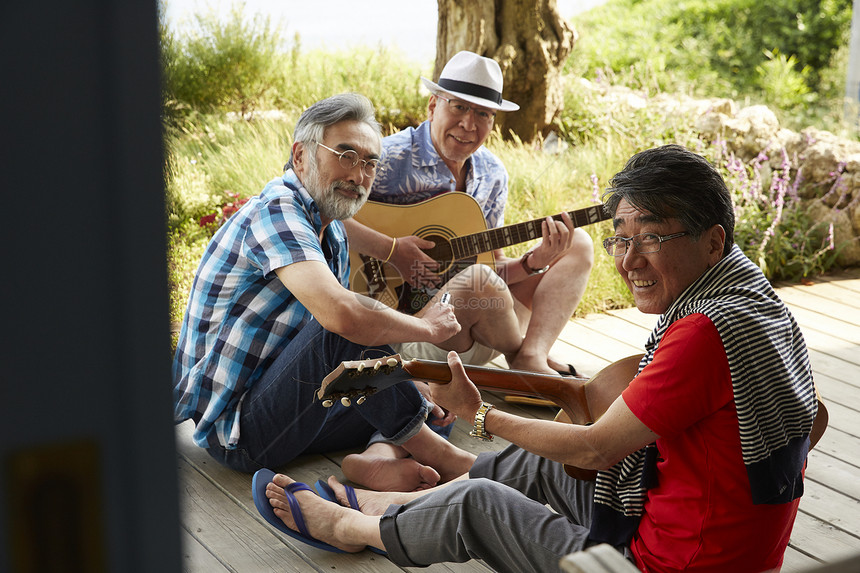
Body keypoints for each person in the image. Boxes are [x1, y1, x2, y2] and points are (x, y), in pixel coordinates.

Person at [253, 144, 819, 572]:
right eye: (621, 239)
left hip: (668, 563)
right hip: (722, 542)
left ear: (713, 241)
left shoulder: (705, 332)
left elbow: (596, 447)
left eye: (649, 238)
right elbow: (811, 419)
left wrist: (480, 416)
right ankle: (406, 498)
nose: (628, 261)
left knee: (481, 504)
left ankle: (357, 527)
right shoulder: (756, 306)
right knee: (549, 466)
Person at [172, 93, 478, 493]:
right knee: (342, 327)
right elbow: (343, 318)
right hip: (240, 431)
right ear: (301, 156)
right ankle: (441, 457)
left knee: (434, 403)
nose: (359, 174)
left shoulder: (328, 226)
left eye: (370, 163)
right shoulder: (276, 211)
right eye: (346, 155)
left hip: (292, 405)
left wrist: (406, 381)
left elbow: (354, 341)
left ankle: (376, 460)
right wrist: (425, 327)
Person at [343, 51, 594, 376]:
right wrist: (392, 251)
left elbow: (493, 270)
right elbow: (319, 212)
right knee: (479, 281)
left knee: (579, 242)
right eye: (458, 106)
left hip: (476, 326)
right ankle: (526, 361)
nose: (468, 124)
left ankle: (532, 354)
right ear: (433, 106)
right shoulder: (387, 158)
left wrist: (533, 262)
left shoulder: (492, 174)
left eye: (483, 114)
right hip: (405, 331)